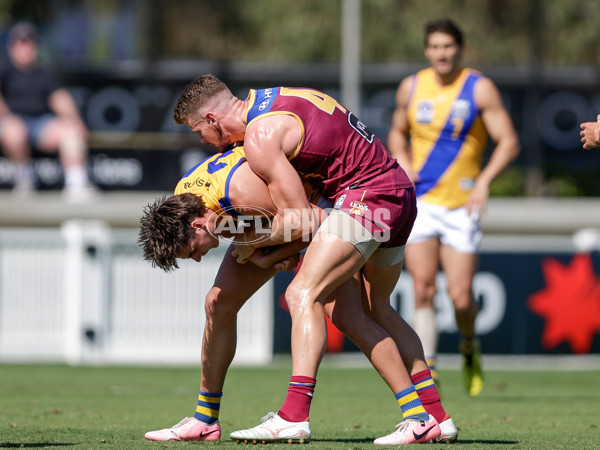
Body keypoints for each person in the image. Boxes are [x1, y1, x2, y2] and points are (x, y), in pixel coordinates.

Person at [144, 73, 464, 445]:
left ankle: (296, 416)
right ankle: (435, 417)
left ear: (213, 119)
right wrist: (268, 252)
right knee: (224, 301)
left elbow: (307, 221)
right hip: (387, 191)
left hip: (366, 199)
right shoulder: (254, 118)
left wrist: (264, 249)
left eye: (199, 131)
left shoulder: (256, 148)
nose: (200, 141)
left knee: (306, 297)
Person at [386, 18, 520, 397]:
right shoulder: (411, 87)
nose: (441, 53)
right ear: (427, 50)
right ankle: (429, 368)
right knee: (423, 289)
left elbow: (508, 141)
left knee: (461, 297)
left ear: (459, 49)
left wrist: (484, 182)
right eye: (435, 47)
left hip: (462, 206)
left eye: (448, 46)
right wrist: (401, 157)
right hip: (422, 202)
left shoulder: (479, 88)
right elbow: (396, 130)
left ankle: (468, 342)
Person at [0, 21, 96, 200]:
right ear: (11, 46)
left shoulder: (44, 74)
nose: (25, 47)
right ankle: (24, 178)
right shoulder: (4, 70)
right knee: (13, 129)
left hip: (41, 124)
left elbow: (60, 98)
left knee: (71, 131)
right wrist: (6, 116)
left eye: (29, 42)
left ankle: (77, 184)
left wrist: (74, 119)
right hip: (13, 122)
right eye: (20, 42)